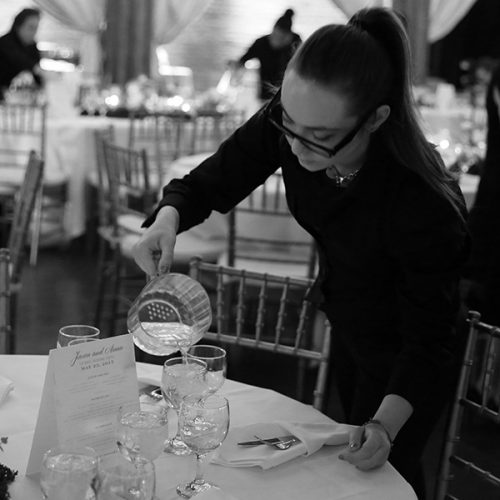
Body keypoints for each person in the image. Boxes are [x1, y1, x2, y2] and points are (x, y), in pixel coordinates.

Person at [133, 7, 469, 498]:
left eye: (321, 138)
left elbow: (429, 340)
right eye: (288, 123)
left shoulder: (422, 201)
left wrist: (384, 425)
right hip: (349, 320)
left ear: (376, 119)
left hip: (410, 353)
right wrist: (168, 217)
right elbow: (211, 180)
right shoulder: (295, 125)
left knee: (387, 471)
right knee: (340, 466)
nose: (295, 146)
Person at [231, 8, 301, 100]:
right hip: (266, 95)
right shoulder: (261, 44)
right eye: (275, 36)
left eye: (281, 39)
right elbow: (243, 60)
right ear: (272, 31)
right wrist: (234, 67)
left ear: (289, 37)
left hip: (288, 95)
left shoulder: (295, 44)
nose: (276, 42)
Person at [0, 8, 43, 100]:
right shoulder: (4, 42)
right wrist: (38, 70)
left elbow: (38, 79)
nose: (34, 32)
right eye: (30, 27)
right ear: (18, 26)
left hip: (21, 99)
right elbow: (19, 60)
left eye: (36, 28)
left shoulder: (32, 45)